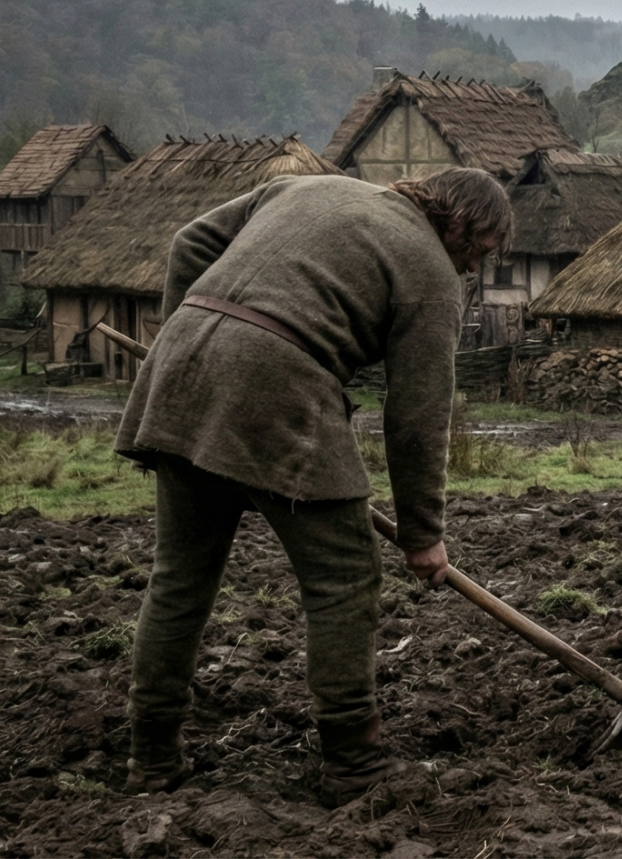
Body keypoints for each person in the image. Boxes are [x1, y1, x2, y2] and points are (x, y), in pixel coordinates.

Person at [118, 167, 511, 801]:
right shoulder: (432, 273)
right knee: (345, 577)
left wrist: (188, 342)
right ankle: (354, 761)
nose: (471, 269)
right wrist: (423, 535)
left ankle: (152, 760)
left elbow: (189, 243)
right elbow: (416, 417)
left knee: (179, 580)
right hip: (280, 385)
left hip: (181, 373)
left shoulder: (308, 187)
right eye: (479, 254)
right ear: (466, 227)